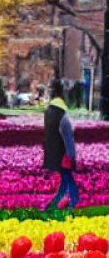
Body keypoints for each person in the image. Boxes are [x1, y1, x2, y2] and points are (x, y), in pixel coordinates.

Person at [43, 79, 79, 211]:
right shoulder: (62, 114)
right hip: (63, 154)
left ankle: (54, 203)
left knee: (65, 179)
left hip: (53, 153)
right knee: (68, 178)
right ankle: (75, 202)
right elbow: (67, 136)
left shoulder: (48, 112)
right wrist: (71, 155)